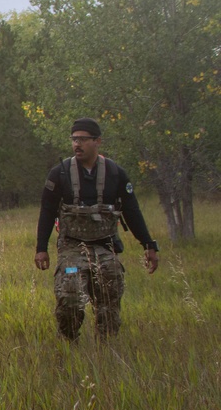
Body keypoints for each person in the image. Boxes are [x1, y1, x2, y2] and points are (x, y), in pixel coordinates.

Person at [34, 118, 159, 342]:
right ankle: (68, 342)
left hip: (105, 247)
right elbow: (46, 211)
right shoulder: (59, 173)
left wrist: (148, 244)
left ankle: (106, 351)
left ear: (97, 141)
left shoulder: (115, 173)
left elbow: (132, 210)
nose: (77, 144)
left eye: (82, 139)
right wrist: (41, 248)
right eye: (74, 139)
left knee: (109, 305)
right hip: (72, 249)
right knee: (70, 297)